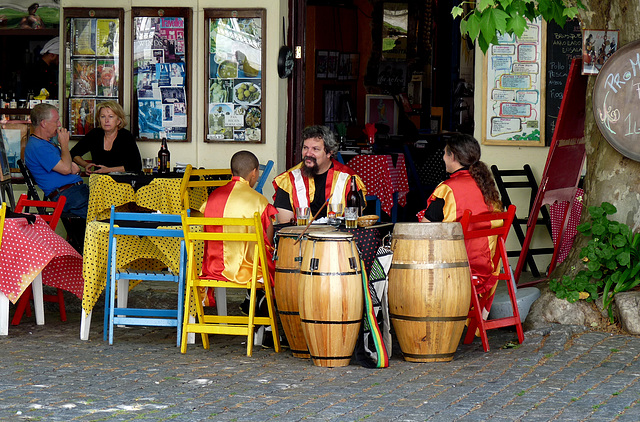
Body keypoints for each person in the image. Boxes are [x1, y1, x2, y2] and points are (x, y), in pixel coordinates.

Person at [200, 151, 279, 347]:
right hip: (245, 272)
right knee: (276, 268)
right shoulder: (259, 201)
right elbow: (266, 244)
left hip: (210, 269)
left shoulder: (212, 197)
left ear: (231, 170)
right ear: (254, 173)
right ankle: (266, 326)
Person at [417, 133, 502, 297]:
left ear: (453, 156)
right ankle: (479, 317)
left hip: (459, 268)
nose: (443, 158)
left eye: (444, 153)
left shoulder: (447, 189)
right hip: (489, 267)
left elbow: (424, 229)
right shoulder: (487, 187)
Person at [272, 125, 366, 223]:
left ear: (329, 152)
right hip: (300, 237)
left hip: (338, 237)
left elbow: (356, 220)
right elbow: (285, 224)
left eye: (315, 149)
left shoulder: (348, 179)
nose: (308, 153)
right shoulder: (288, 180)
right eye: (305, 148)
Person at [24, 103, 89, 218]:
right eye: (56, 121)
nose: (59, 124)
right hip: (67, 196)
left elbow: (73, 168)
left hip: (74, 192)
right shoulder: (38, 146)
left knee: (110, 201)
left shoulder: (48, 144)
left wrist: (71, 168)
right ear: (44, 123)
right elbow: (66, 168)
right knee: (109, 210)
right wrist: (64, 144)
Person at [70, 101, 142, 174]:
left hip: (121, 182)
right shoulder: (94, 134)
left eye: (111, 116)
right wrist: (85, 165)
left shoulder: (126, 136)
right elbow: (73, 154)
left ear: (118, 121)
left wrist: (108, 170)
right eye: (103, 116)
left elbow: (136, 166)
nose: (106, 121)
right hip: (99, 181)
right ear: (99, 120)